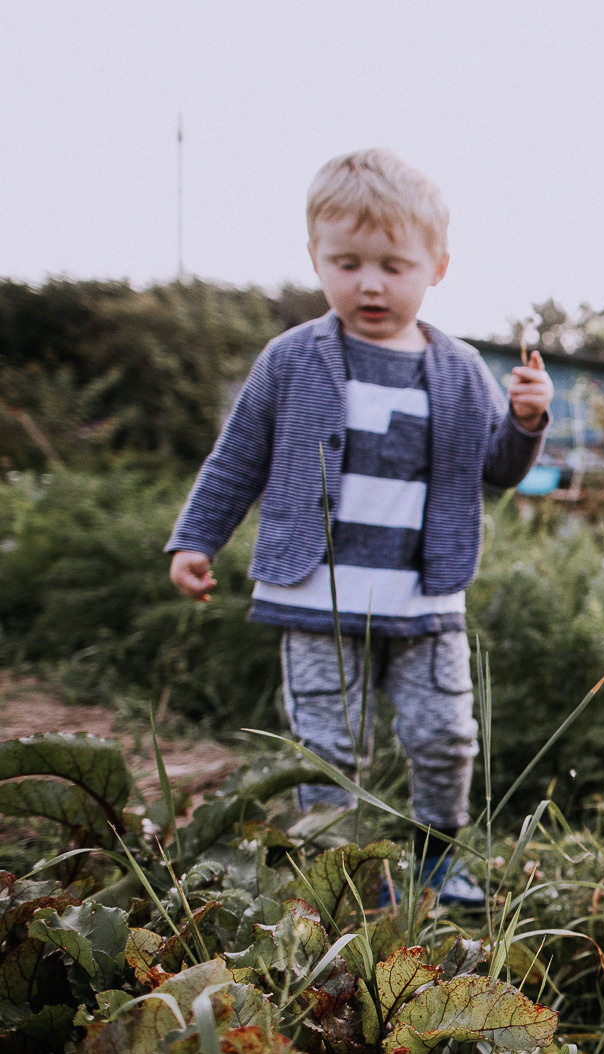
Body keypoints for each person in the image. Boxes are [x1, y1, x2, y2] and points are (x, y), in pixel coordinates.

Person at [165, 148, 552, 906]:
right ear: (315, 259)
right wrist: (194, 539)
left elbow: (500, 467)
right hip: (316, 599)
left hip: (425, 600)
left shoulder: (461, 368)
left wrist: (529, 418)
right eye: (346, 263)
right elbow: (237, 457)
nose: (370, 282)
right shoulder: (291, 360)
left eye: (393, 265)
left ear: (437, 267)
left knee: (445, 739)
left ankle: (439, 860)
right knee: (327, 752)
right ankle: (344, 879)